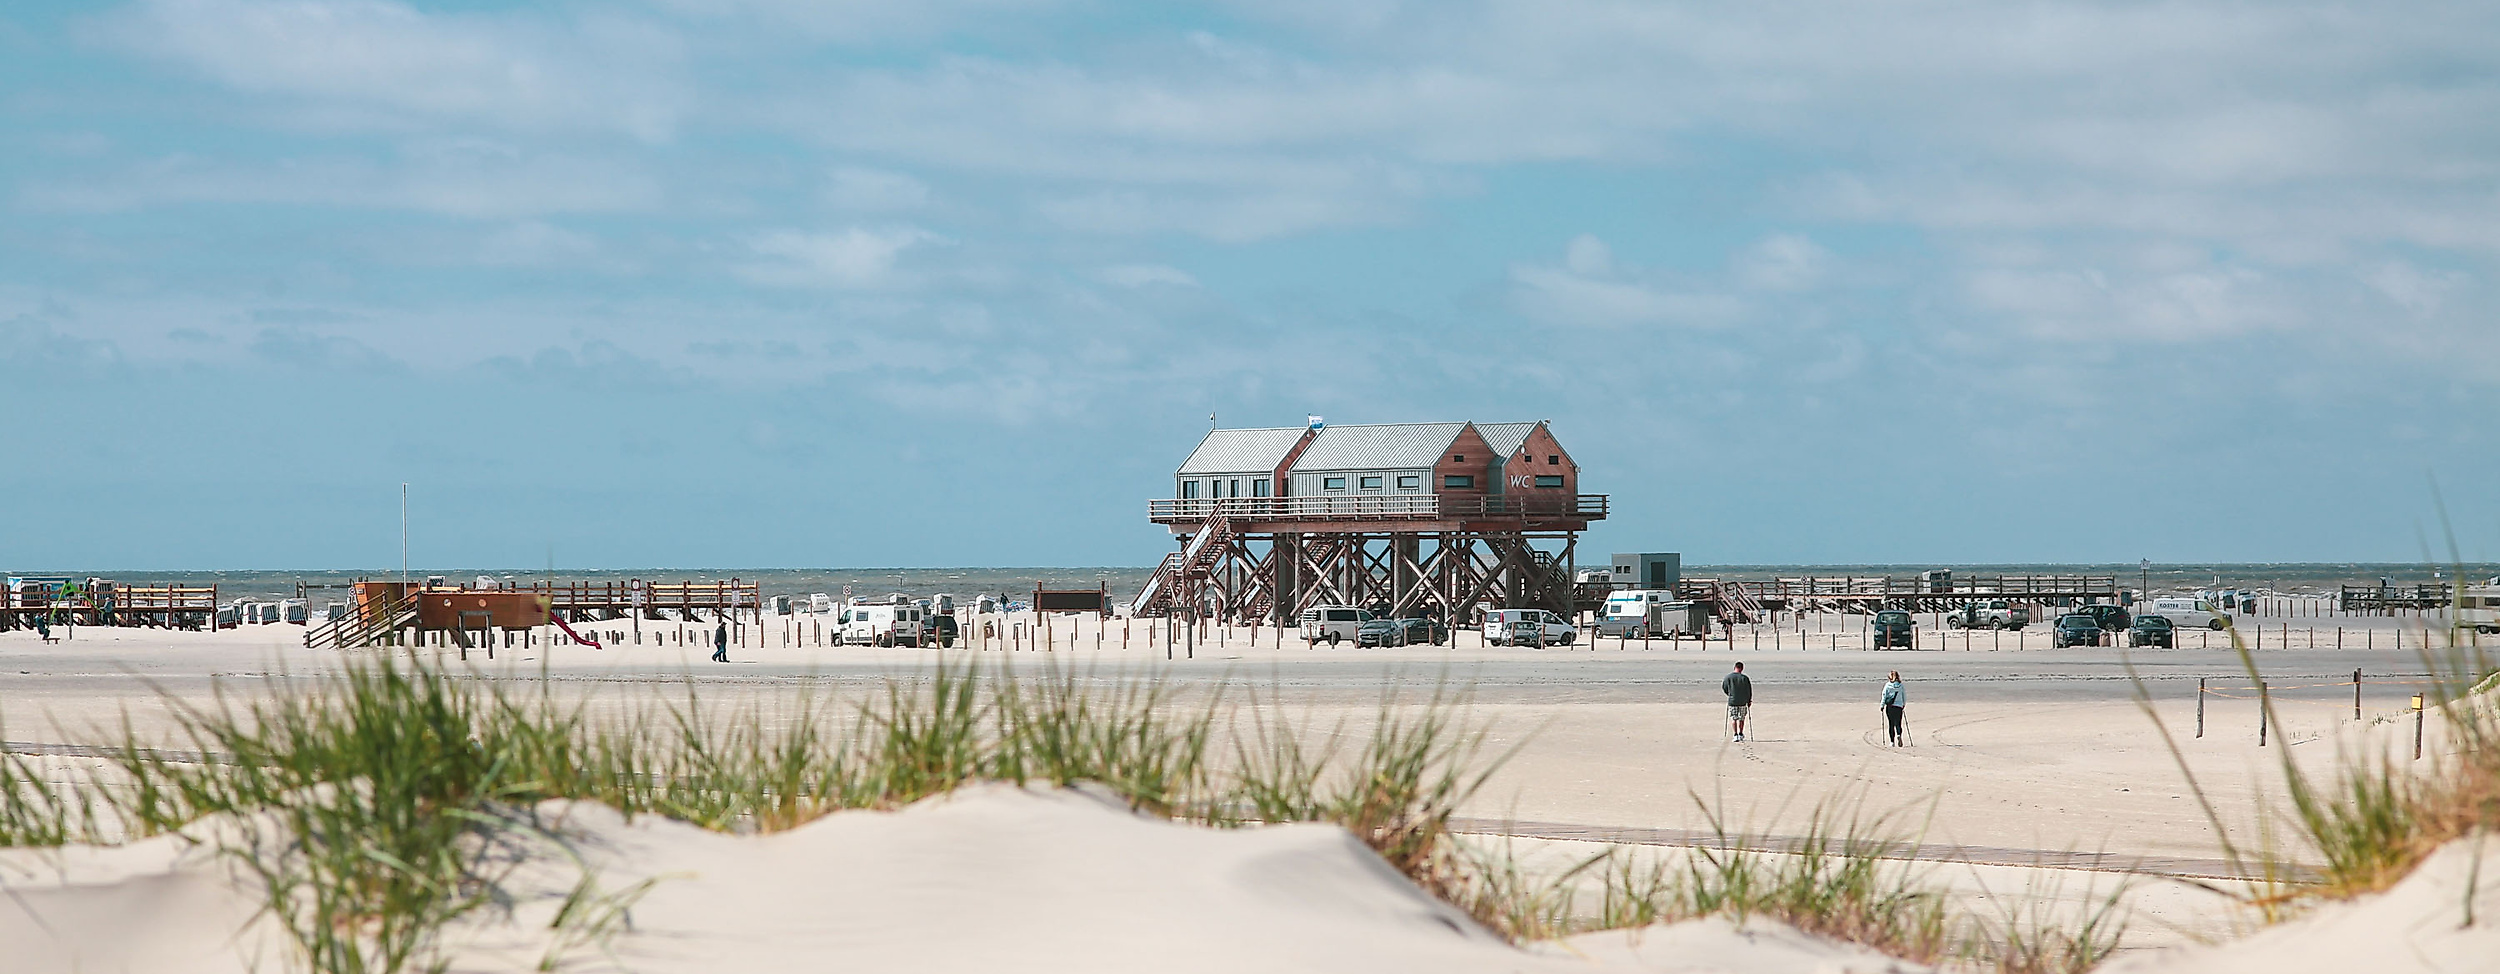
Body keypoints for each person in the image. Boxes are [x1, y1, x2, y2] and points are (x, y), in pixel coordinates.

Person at [1722, 661, 1752, 742]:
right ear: (1742, 668)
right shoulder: (1744, 678)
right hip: (1743, 701)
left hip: (1732, 701)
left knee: (1733, 718)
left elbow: (1724, 687)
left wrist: (1729, 695)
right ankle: (1740, 734)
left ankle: (1735, 735)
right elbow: (1748, 690)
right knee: (1741, 718)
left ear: (1734, 667)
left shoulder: (1728, 677)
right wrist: (1749, 700)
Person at [1881, 670, 1907, 746]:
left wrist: (1882, 705)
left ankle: (1892, 742)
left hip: (1890, 707)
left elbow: (1884, 696)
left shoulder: (1888, 685)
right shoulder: (1901, 686)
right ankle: (1899, 735)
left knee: (1891, 724)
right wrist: (1903, 704)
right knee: (1898, 723)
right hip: (1899, 707)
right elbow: (1904, 696)